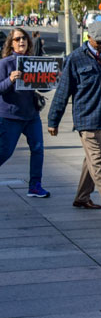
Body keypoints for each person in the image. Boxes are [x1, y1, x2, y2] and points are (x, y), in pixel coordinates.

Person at [48, 21, 101, 214]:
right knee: (97, 159)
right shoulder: (75, 59)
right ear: (89, 38)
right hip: (86, 117)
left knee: (91, 160)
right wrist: (53, 120)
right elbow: (63, 91)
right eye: (99, 42)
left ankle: (82, 198)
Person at [0, 29, 49, 198]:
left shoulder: (33, 62)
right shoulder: (5, 63)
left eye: (24, 38)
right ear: (11, 43)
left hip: (31, 115)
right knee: (5, 152)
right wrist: (10, 80)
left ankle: (35, 186)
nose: (21, 41)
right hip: (10, 116)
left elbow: (44, 87)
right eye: (17, 39)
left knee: (38, 150)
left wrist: (52, 78)